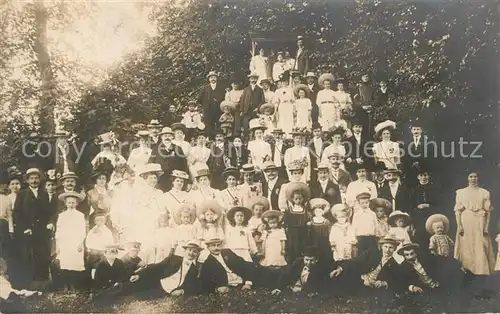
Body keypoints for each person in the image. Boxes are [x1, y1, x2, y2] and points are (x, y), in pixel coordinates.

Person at [13, 168, 52, 283]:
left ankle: (43, 280)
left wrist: (50, 223)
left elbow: (49, 212)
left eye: (36, 178)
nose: (34, 181)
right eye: (32, 178)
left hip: (42, 230)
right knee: (30, 255)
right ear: (27, 180)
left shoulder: (44, 193)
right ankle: (31, 280)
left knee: (43, 253)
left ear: (39, 180)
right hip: (28, 230)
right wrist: (25, 228)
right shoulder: (22, 194)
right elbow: (17, 213)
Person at [329, 236, 403, 295]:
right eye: (385, 246)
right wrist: (340, 269)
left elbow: (396, 279)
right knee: (340, 279)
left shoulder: (394, 264)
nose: (387, 250)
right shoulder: (372, 253)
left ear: (395, 249)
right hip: (360, 280)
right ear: (381, 246)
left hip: (374, 289)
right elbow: (356, 261)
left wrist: (384, 283)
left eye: (391, 247)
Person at [454, 172, 495, 275]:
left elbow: (488, 211)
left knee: (481, 243)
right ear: (467, 178)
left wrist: (486, 226)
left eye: (475, 176)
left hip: (480, 220)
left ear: (478, 178)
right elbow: (458, 211)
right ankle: (468, 269)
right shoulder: (461, 192)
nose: (473, 178)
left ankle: (481, 270)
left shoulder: (484, 192)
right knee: (467, 244)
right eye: (471, 176)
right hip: (466, 219)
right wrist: (459, 226)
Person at [55, 191, 87, 291]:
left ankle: (73, 285)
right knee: (65, 263)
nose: (71, 204)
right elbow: (58, 230)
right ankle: (66, 285)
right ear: (65, 203)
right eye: (69, 202)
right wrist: (57, 245)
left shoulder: (80, 215)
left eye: (73, 202)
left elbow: (83, 229)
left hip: (76, 241)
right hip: (65, 241)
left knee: (75, 263)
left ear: (77, 203)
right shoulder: (62, 215)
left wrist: (81, 243)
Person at [409, 164, 440, 246]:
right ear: (418, 177)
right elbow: (411, 206)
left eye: (425, 175)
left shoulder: (435, 188)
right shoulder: (414, 190)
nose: (423, 177)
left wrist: (428, 206)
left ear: (428, 176)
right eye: (421, 175)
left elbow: (440, 205)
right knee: (420, 239)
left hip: (432, 217)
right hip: (418, 219)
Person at [148, 127, 188, 192]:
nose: (167, 138)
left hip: (175, 180)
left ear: (172, 137)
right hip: (160, 180)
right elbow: (150, 164)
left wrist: (184, 179)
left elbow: (184, 165)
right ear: (161, 137)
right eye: (165, 136)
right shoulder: (156, 149)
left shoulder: (178, 148)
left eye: (169, 136)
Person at [282, 182, 310, 263]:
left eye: (300, 199)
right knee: (292, 247)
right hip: (292, 232)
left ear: (303, 199)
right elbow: (286, 221)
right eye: (296, 199)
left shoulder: (305, 210)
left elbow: (307, 220)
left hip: (302, 232)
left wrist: (308, 223)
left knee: (302, 247)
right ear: (293, 199)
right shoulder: (289, 210)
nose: (298, 201)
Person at [198, 71, 226, 138]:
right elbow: (199, 99)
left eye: (214, 77)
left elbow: (224, 98)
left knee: (218, 124)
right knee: (208, 125)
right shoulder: (205, 88)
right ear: (209, 79)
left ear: (216, 78)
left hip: (218, 109)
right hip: (208, 110)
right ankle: (209, 138)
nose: (213, 79)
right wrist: (205, 104)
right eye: (211, 77)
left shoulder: (221, 88)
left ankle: (217, 138)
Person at [238, 72, 265, 138]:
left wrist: (258, 108)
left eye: (255, 79)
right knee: (245, 126)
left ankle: (254, 139)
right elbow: (242, 100)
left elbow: (262, 101)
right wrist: (241, 110)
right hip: (246, 111)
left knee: (255, 126)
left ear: (257, 79)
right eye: (252, 78)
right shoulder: (246, 89)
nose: (253, 80)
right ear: (249, 79)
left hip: (255, 111)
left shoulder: (260, 90)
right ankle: (246, 141)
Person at [307, 198, 332, 263]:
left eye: (320, 211)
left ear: (323, 211)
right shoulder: (312, 221)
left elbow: (329, 231)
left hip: (324, 241)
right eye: (316, 211)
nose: (318, 213)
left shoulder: (326, 221)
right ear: (314, 212)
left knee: (324, 253)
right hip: (314, 241)